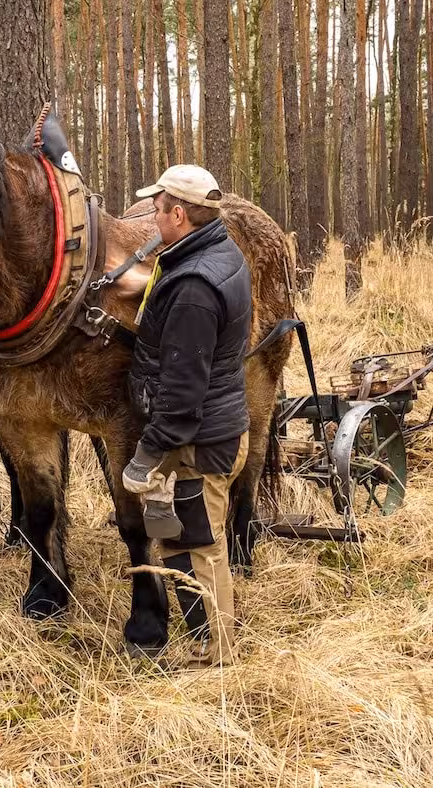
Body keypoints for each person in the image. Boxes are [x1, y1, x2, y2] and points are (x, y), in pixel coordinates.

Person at [123, 163, 253, 667]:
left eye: (157, 209)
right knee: (175, 533)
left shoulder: (195, 289)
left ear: (179, 214)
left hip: (200, 441)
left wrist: (147, 454)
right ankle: (203, 641)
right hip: (206, 430)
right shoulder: (215, 252)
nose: (152, 217)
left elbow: (182, 390)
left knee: (200, 543)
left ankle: (219, 656)